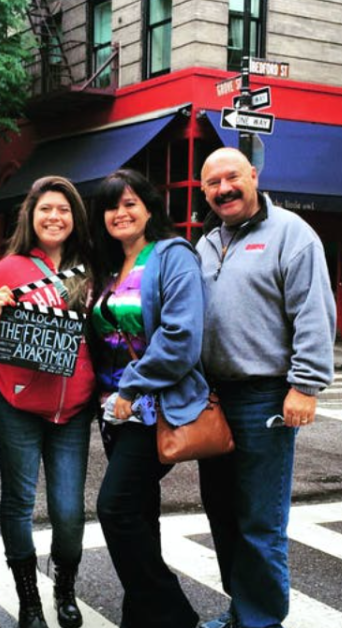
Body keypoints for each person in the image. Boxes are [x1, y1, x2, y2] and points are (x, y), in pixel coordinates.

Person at [195, 147, 336, 628]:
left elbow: (314, 315)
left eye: (231, 177)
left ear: (253, 176)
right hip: (213, 398)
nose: (223, 189)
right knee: (222, 513)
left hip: (266, 399)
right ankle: (242, 610)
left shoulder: (293, 235)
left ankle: (262, 621)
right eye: (212, 183)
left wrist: (306, 385)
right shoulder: (208, 243)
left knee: (260, 520)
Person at [0, 176, 95, 628]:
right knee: (19, 502)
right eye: (46, 209)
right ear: (31, 215)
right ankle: (28, 599)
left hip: (73, 410)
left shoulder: (88, 269)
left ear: (74, 217)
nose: (54, 217)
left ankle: (64, 587)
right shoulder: (8, 269)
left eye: (63, 209)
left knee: (68, 510)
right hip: (16, 404)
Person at [87, 169, 205, 628]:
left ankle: (175, 615)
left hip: (150, 407)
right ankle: (142, 616)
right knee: (140, 512)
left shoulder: (172, 256)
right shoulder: (109, 266)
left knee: (114, 508)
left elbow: (181, 338)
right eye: (113, 206)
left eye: (131, 203)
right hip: (113, 410)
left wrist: (132, 387)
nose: (121, 213)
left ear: (150, 209)